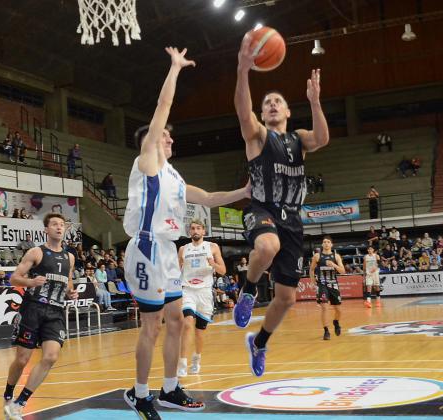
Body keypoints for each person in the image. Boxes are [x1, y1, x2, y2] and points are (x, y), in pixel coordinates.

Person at [122, 47, 249, 418]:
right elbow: (163, 108)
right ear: (153, 140)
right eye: (166, 138)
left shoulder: (173, 176)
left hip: (166, 252)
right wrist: (175, 68)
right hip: (146, 248)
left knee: (176, 320)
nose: (171, 141)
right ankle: (140, 394)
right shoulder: (147, 162)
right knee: (152, 326)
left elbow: (208, 197)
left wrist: (243, 192)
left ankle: (170, 388)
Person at [232, 32, 330, 377]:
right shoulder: (259, 136)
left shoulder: (298, 138)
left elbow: (322, 139)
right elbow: (244, 114)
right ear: (263, 113)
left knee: (287, 298)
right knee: (267, 245)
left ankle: (258, 343)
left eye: (278, 101)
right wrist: (244, 71)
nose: (272, 104)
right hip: (262, 208)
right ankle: (247, 288)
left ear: (288, 110)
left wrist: (315, 101)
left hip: (293, 220)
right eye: (267, 102)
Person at [3, 213, 77, 420]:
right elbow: (14, 278)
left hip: (55, 311)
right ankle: (8, 394)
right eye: (54, 224)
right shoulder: (36, 252)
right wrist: (30, 283)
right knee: (22, 359)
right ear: (46, 229)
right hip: (33, 309)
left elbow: (68, 281)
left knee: (51, 356)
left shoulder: (69, 256)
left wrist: (70, 291)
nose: (59, 227)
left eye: (62, 225)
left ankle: (20, 403)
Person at [177, 219, 226, 377]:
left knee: (200, 332)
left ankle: (197, 359)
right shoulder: (183, 249)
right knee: (187, 323)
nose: (195, 231)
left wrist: (213, 264)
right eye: (193, 228)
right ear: (189, 232)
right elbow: (177, 271)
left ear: (204, 231)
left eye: (198, 228)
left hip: (204, 292)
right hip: (188, 290)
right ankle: (182, 363)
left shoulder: (212, 247)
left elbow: (223, 270)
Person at [309, 236, 345, 340]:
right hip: (322, 285)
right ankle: (326, 331)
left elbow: (342, 271)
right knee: (324, 307)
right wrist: (312, 282)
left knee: (338, 310)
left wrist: (334, 265)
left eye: (328, 242)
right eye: (324, 242)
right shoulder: (317, 256)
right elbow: (311, 270)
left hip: (333, 284)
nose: (326, 244)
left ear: (331, 244)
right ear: (322, 244)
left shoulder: (336, 256)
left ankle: (336, 322)